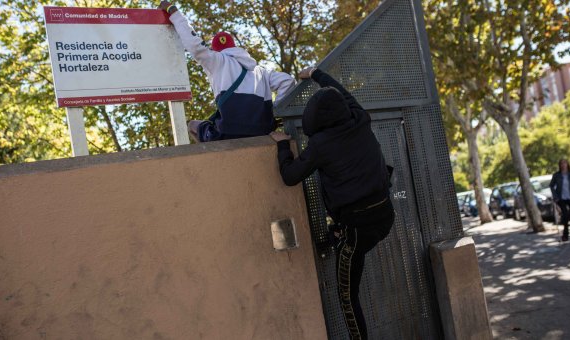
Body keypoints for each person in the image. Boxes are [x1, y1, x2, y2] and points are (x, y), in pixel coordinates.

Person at [270, 67, 395, 340]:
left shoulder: (321, 144)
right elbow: (344, 94)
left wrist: (282, 146)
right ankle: (333, 237)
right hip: (385, 215)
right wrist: (316, 73)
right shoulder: (360, 119)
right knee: (345, 243)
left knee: (348, 298)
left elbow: (290, 177)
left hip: (357, 228)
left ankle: (336, 237)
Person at [158, 2, 295, 142]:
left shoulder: (217, 60)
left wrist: (173, 12)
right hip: (264, 131)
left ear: (216, 50)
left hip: (229, 133)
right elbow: (287, 81)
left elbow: (195, 45)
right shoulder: (261, 71)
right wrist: (275, 112)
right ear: (234, 47)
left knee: (193, 125)